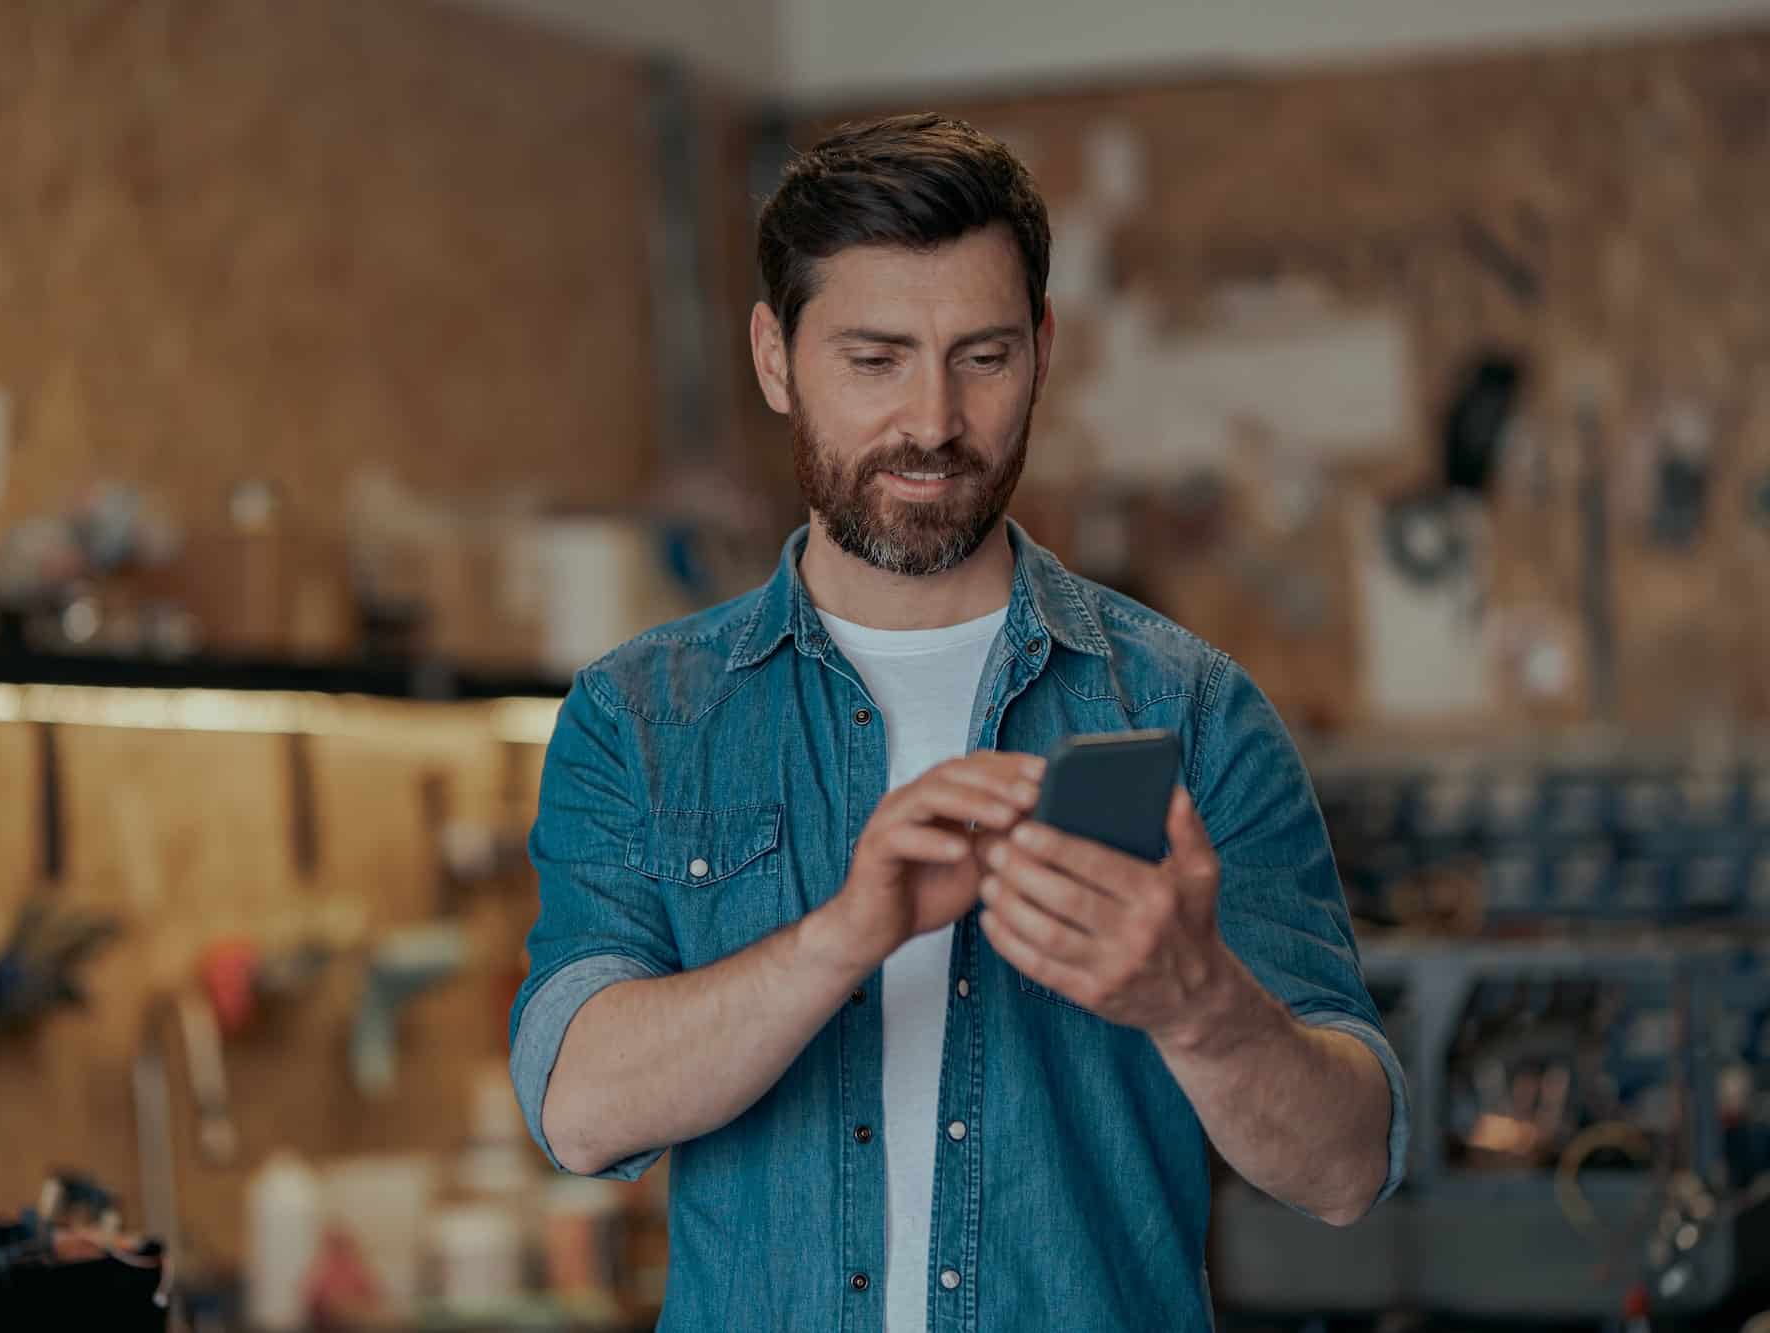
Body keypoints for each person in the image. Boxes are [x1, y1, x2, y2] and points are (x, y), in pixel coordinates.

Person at [508, 112, 1405, 1332]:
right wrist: (845, 935)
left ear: (1040, 349)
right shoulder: (644, 716)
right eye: (873, 360)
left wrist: (1198, 1005)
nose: (930, 420)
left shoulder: (1185, 709)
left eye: (979, 358)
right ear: (775, 358)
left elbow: (1346, 1167)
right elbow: (578, 1107)